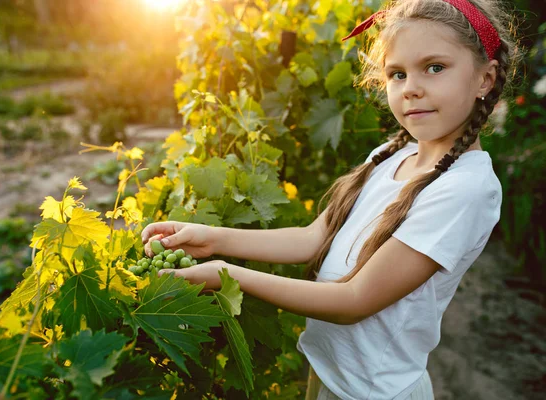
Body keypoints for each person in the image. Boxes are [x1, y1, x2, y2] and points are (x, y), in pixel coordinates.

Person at [141, 0, 520, 398]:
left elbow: (354, 300)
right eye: (397, 74)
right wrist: (212, 237)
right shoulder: (393, 154)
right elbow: (314, 238)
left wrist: (225, 275)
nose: (411, 88)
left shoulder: (465, 187)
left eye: (435, 67)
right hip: (327, 374)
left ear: (485, 79)